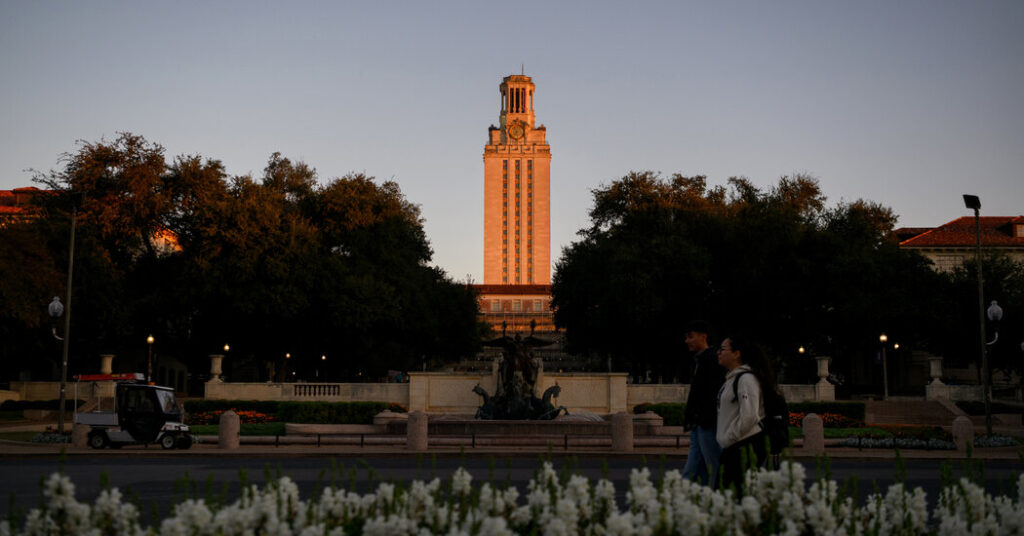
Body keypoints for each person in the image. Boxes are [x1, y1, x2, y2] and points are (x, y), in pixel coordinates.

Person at [716, 334, 777, 493]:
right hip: (734, 446)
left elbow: (750, 416)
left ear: (737, 354)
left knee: (729, 495)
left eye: (722, 349)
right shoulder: (732, 379)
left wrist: (730, 437)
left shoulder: (746, 379)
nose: (718, 352)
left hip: (743, 446)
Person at [681, 321, 726, 486]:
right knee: (697, 467)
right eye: (686, 337)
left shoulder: (712, 360)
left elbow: (712, 393)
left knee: (711, 466)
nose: (687, 341)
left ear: (703, 336)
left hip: (706, 422)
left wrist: (701, 418)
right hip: (700, 422)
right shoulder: (702, 360)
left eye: (691, 337)